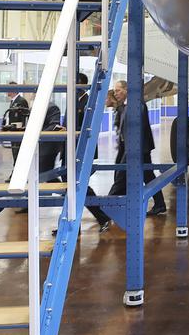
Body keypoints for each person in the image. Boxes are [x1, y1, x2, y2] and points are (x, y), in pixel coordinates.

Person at [108, 80, 167, 216]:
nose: (115, 93)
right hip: (133, 149)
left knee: (122, 177)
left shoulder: (136, 104)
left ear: (126, 90)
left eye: (118, 90)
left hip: (138, 149)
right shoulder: (127, 105)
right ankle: (160, 204)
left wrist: (130, 151)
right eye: (115, 90)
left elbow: (137, 129)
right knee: (148, 176)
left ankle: (109, 205)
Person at [61, 72, 110, 232]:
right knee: (70, 186)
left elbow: (87, 127)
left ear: (80, 83)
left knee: (79, 186)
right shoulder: (72, 101)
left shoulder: (89, 101)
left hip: (80, 151)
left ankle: (101, 217)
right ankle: (71, 223)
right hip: (69, 150)